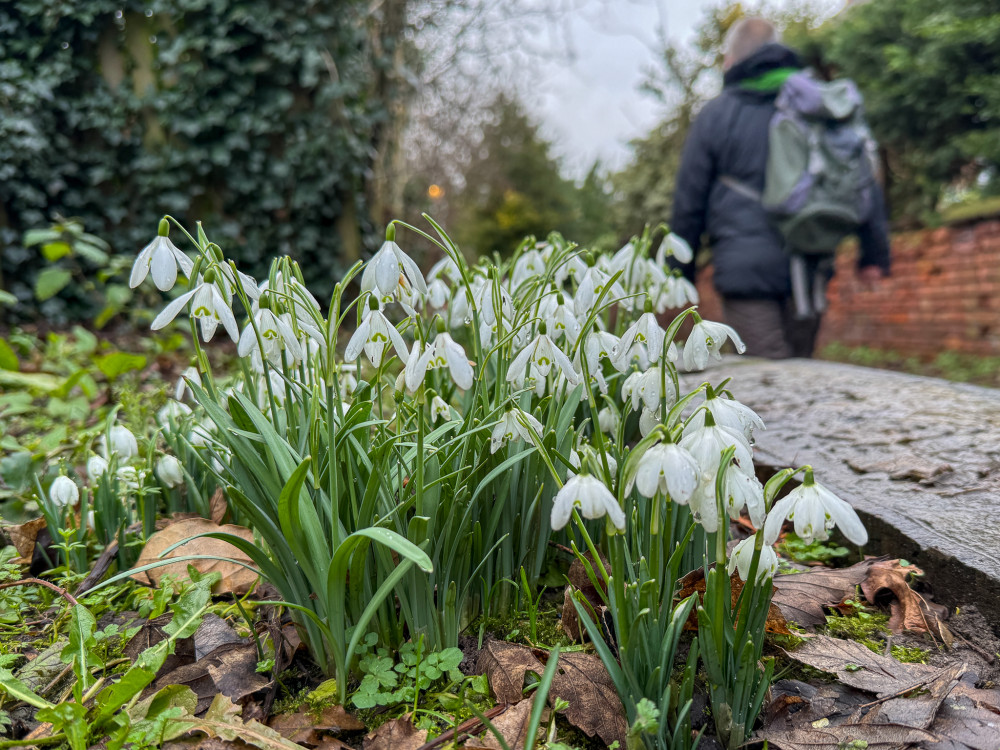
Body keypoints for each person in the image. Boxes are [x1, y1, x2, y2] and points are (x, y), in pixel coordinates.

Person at [669, 18, 891, 359]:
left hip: (746, 270)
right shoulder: (817, 103)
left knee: (766, 384)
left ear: (730, 60)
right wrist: (874, 252)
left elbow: (689, 200)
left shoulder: (718, 113)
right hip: (810, 262)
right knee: (799, 375)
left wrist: (677, 274)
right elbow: (860, 173)